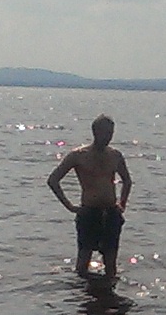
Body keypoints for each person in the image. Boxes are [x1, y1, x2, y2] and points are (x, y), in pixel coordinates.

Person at [47, 114, 132, 281]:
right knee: (83, 262)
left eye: (111, 133)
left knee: (111, 263)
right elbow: (53, 180)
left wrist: (122, 204)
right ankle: (82, 292)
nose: (108, 136)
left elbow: (127, 181)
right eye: (105, 132)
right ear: (95, 132)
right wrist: (70, 206)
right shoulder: (79, 155)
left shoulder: (115, 155)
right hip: (89, 212)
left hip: (111, 212)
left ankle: (108, 291)